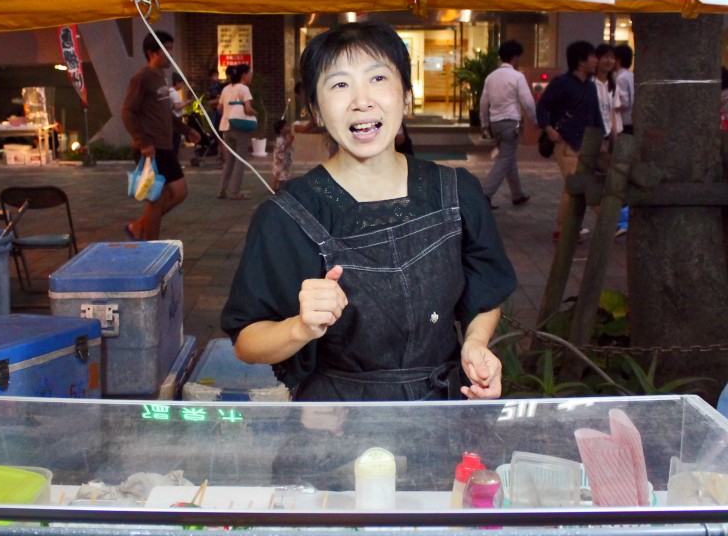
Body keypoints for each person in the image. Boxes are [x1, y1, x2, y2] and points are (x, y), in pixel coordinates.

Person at [221, 21, 516, 401]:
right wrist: (300, 328)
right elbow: (246, 341)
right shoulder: (287, 216)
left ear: (406, 97)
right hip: (336, 419)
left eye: (378, 78)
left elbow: (487, 289)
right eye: (340, 84)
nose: (362, 100)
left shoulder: (456, 192)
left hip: (445, 407)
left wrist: (475, 343)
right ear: (317, 111)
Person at [122, 30, 192, 241]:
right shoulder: (142, 78)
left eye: (171, 49)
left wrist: (186, 130)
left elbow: (164, 113)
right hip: (151, 148)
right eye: (166, 50)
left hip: (165, 146)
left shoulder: (161, 78)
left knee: (179, 192)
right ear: (152, 53)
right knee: (157, 198)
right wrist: (143, 142)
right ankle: (150, 243)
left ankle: (138, 227)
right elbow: (127, 112)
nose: (170, 54)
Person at [536, 40, 604, 242]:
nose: (596, 60)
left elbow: (596, 115)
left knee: (577, 185)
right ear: (581, 60)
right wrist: (548, 128)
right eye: (592, 56)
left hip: (587, 145)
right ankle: (566, 229)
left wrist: (602, 139)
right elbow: (542, 106)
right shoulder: (561, 83)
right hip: (566, 143)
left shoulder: (590, 87)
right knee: (575, 184)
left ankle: (568, 228)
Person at [479, 39, 535, 208]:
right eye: (519, 57)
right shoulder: (517, 76)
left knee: (508, 158)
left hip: (495, 124)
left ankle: (517, 194)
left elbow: (483, 102)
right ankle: (485, 194)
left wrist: (484, 123)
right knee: (504, 160)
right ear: (515, 57)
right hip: (511, 123)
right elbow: (528, 101)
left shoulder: (491, 77)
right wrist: (535, 120)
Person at [216, 64, 257, 200]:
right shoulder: (244, 88)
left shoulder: (226, 89)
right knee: (240, 160)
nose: (251, 76)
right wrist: (255, 114)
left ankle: (222, 189)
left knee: (229, 160)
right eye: (249, 74)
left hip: (226, 127)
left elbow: (220, 107)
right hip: (240, 128)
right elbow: (248, 109)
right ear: (243, 75)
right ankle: (235, 192)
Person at [593, 43, 622, 146]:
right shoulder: (590, 83)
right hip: (593, 135)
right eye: (605, 57)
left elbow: (613, 114)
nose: (609, 61)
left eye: (612, 58)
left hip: (608, 135)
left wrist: (613, 140)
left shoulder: (613, 85)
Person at [614, 43, 634, 135]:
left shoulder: (620, 78)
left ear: (618, 60)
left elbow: (624, 103)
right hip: (631, 120)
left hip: (623, 121)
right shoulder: (631, 75)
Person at [271, 118, 294, 191]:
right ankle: (272, 188)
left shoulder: (286, 137)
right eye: (286, 126)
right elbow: (283, 147)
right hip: (279, 161)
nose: (288, 127)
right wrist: (291, 139)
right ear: (281, 130)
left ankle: (281, 188)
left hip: (284, 160)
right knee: (278, 174)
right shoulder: (279, 139)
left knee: (284, 176)